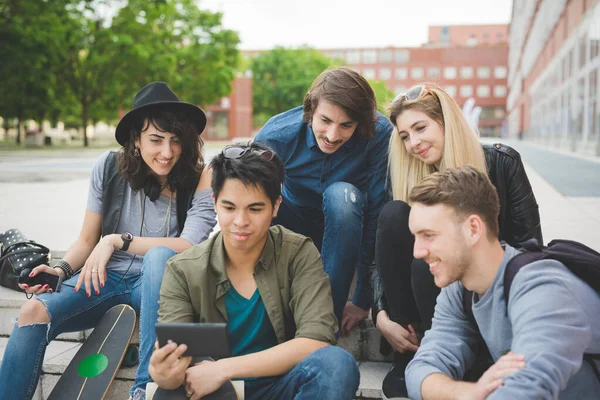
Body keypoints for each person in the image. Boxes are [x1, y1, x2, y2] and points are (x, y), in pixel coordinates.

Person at [0, 82, 217, 400]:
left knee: (158, 257)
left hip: (162, 286)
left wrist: (117, 240)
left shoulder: (201, 177)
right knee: (33, 312)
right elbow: (88, 239)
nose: (167, 152)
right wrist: (59, 270)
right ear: (136, 139)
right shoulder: (108, 168)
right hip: (105, 279)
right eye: (156, 140)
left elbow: (187, 246)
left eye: (176, 141)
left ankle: (143, 389)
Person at [370, 83, 543, 399]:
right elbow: (382, 254)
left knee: (429, 261)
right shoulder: (404, 174)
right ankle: (410, 351)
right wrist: (380, 314)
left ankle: (459, 357)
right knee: (394, 214)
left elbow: (531, 246)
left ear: (446, 121)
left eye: (420, 128)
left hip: (482, 293)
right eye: (405, 136)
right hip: (421, 302)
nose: (414, 143)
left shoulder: (501, 163)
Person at [148, 142, 360, 400]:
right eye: (229, 207)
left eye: (255, 209)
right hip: (215, 392)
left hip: (280, 386)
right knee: (168, 393)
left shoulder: (297, 253)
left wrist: (223, 369)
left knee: (336, 364)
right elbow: (176, 354)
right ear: (214, 203)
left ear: (276, 206)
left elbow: (317, 339)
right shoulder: (184, 269)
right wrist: (164, 374)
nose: (240, 222)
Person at [404, 165, 600, 399]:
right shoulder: (460, 289)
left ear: (473, 229)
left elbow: (525, 391)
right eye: (415, 237)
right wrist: (467, 393)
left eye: (428, 235)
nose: (417, 251)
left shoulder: (542, 289)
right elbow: (420, 371)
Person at [254, 67, 393, 334]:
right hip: (292, 222)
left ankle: (323, 321)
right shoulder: (277, 134)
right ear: (310, 112)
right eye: (325, 121)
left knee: (342, 194)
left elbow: (378, 209)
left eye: (346, 125)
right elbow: (246, 201)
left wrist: (363, 297)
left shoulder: (378, 133)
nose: (332, 135)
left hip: (347, 223)